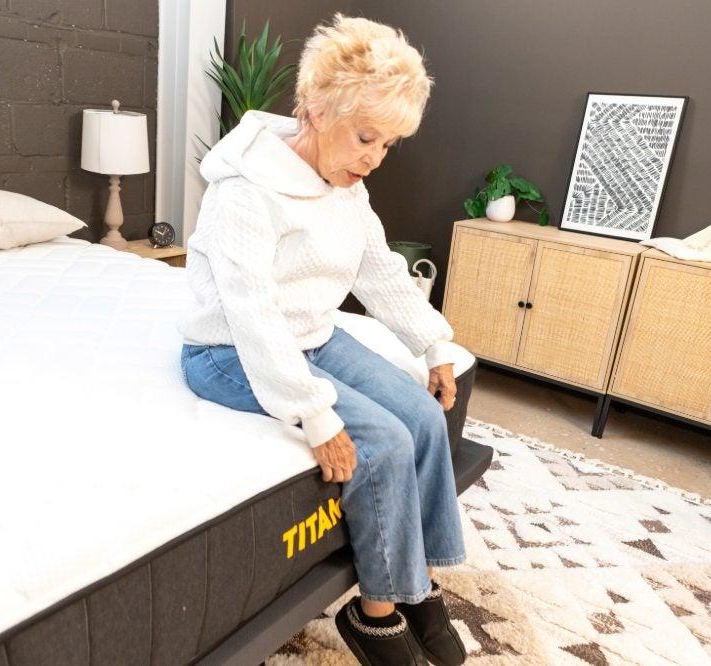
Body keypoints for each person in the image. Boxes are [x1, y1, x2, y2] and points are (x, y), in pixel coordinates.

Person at [178, 14, 466, 666]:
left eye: (388, 145)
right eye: (366, 137)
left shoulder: (347, 187)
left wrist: (433, 344)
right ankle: (377, 616)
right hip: (227, 351)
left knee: (420, 416)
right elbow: (250, 314)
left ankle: (413, 582)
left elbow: (380, 271)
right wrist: (311, 412)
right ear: (313, 108)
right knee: (384, 441)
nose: (373, 158)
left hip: (311, 335)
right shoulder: (245, 194)